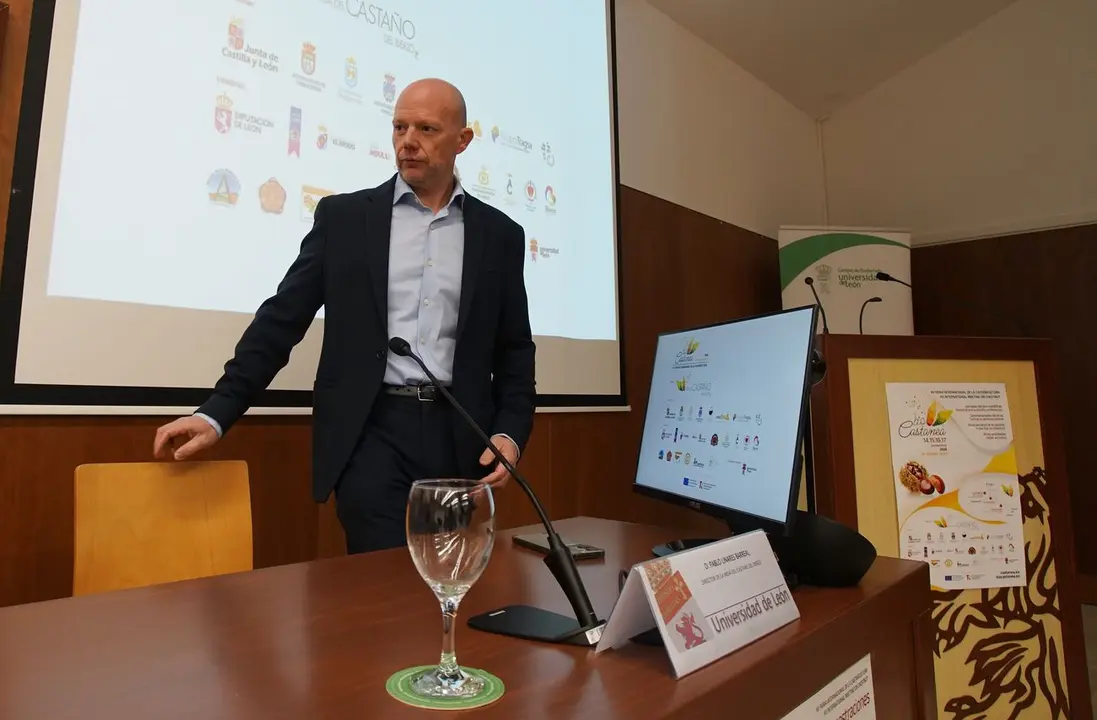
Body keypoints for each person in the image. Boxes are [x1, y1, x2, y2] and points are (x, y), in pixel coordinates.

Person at [153, 78, 536, 554]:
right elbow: (282, 320)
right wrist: (216, 412)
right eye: (399, 127)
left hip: (456, 437)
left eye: (426, 128)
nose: (408, 141)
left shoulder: (500, 235)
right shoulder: (345, 219)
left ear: (463, 141)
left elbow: (515, 349)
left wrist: (509, 432)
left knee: (441, 583)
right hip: (371, 430)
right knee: (381, 582)